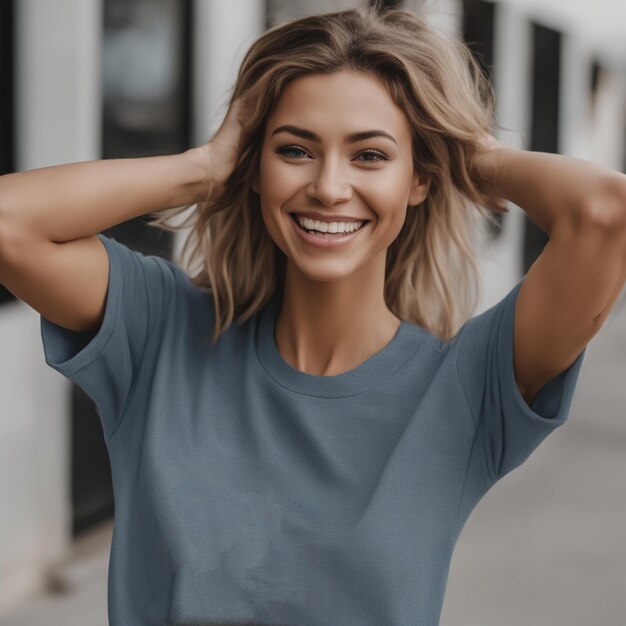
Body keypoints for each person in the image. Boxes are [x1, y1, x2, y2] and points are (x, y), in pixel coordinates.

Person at [0, 5, 624, 626]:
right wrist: (203, 168)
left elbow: (604, 214)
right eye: (295, 150)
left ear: (420, 179)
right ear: (255, 166)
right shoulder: (160, 333)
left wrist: (473, 156)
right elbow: (10, 224)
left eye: (370, 156)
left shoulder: (466, 389)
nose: (329, 186)